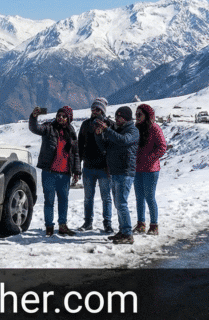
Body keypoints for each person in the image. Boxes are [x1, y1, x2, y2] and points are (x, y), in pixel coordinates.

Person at [29, 106, 81, 236]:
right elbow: (34, 128)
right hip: (49, 173)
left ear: (68, 118)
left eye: (64, 116)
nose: (61, 118)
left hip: (65, 174)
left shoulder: (72, 131)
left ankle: (63, 226)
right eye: (59, 115)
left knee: (63, 201)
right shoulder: (49, 128)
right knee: (49, 201)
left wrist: (76, 172)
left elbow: (75, 153)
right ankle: (49, 227)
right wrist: (34, 116)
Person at [94, 106, 140, 244]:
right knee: (118, 203)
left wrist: (107, 130)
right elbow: (104, 147)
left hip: (125, 172)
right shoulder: (117, 130)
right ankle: (122, 231)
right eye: (116, 117)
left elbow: (123, 141)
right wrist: (98, 134)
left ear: (126, 117)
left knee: (121, 203)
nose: (117, 120)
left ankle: (127, 234)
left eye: (119, 117)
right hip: (114, 171)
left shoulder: (133, 131)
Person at [76, 97, 113, 233]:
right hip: (88, 167)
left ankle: (107, 223)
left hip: (104, 168)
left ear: (102, 110)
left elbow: (113, 146)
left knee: (106, 197)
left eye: (97, 109)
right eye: (92, 108)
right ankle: (88, 223)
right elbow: (79, 146)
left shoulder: (109, 124)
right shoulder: (85, 125)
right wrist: (77, 167)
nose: (94, 111)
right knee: (88, 198)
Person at [133, 103, 168, 235]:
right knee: (139, 198)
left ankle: (154, 226)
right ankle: (141, 224)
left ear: (146, 115)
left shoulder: (155, 128)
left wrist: (150, 158)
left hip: (151, 170)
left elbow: (162, 147)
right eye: (135, 114)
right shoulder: (136, 128)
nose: (136, 117)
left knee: (149, 197)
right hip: (137, 168)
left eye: (139, 114)